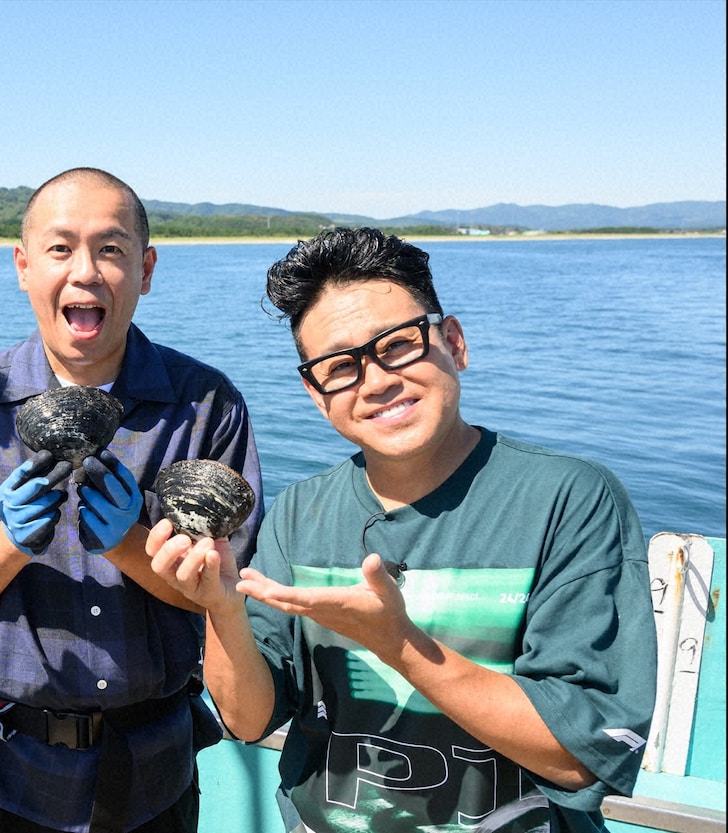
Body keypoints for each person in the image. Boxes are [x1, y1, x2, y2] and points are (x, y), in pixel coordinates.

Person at [148, 227, 658, 832]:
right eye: (340, 366)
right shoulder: (299, 512)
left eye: (397, 345)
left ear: (454, 342)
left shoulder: (566, 500)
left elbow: (581, 756)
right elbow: (249, 719)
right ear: (316, 394)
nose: (376, 380)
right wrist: (221, 609)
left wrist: (400, 645)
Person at [0, 167, 263, 833]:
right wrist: (8, 543)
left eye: (111, 248)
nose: (86, 270)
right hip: (2, 769)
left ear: (146, 268)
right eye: (60, 247)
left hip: (153, 770)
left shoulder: (207, 404)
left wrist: (131, 542)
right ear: (22, 265)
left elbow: (223, 592)